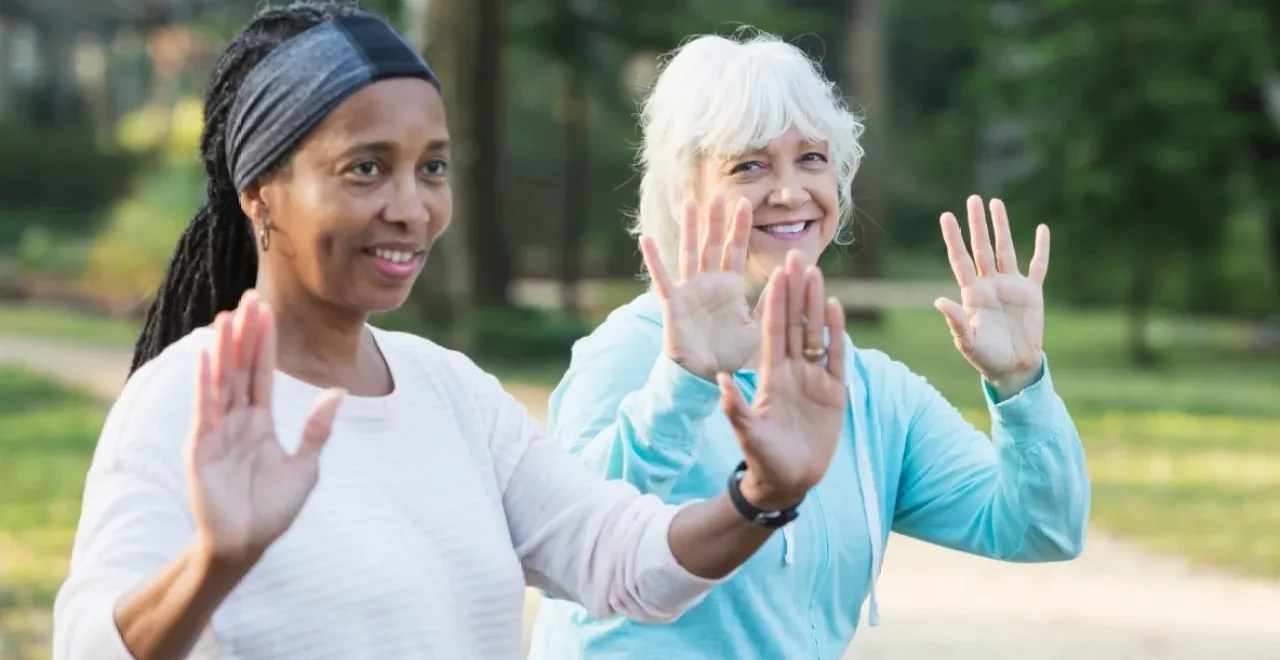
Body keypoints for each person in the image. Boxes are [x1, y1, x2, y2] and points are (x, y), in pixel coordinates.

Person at [50, 6, 853, 659]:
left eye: (431, 167)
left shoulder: (450, 391)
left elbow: (619, 558)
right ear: (261, 192)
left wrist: (762, 497)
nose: (412, 207)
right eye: (366, 167)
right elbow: (90, 645)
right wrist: (212, 564)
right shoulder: (181, 400)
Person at [526, 30, 1092, 659]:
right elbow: (568, 556)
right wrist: (682, 382)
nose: (791, 191)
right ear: (689, 192)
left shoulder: (871, 392)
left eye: (813, 159)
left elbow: (1043, 529)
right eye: (750, 165)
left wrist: (1021, 385)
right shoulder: (628, 355)